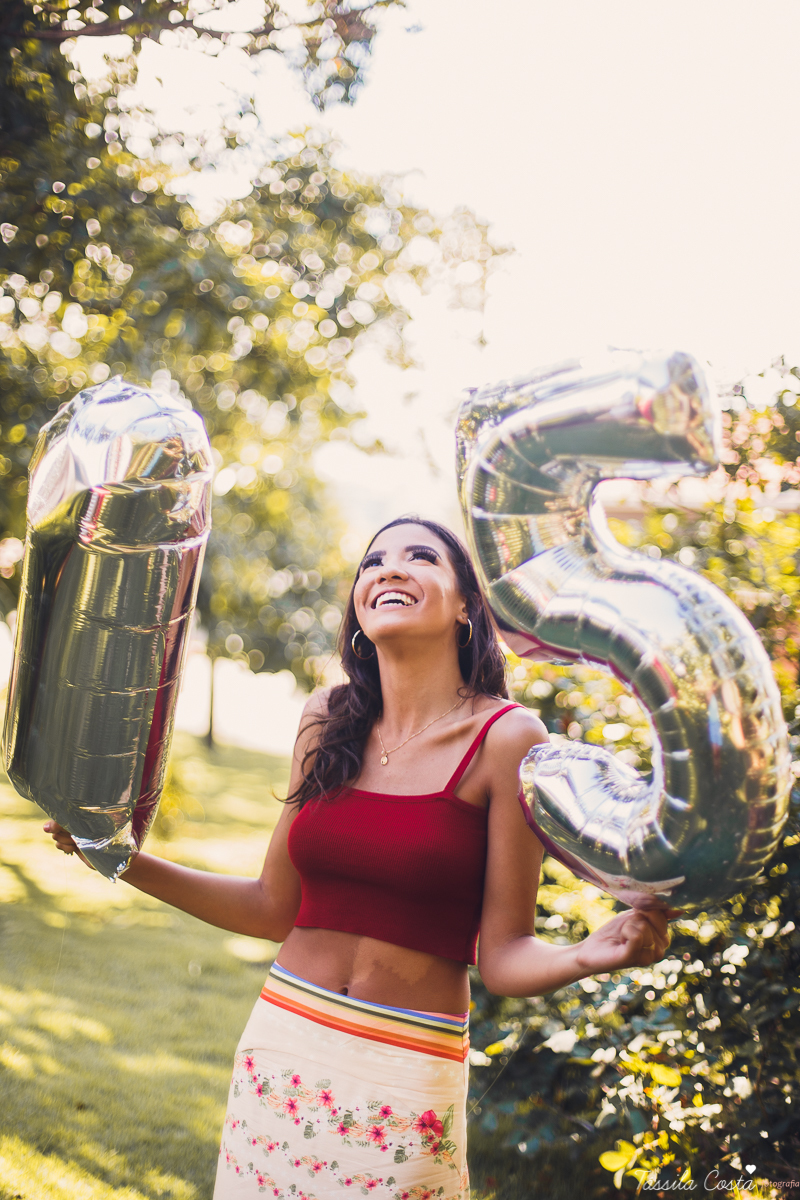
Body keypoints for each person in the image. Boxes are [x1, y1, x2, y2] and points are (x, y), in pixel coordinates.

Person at [45, 515, 670, 1200]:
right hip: (280, 1051)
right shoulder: (327, 719)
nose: (388, 570)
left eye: (421, 557)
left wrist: (589, 954)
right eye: (373, 562)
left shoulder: (507, 737)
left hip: (406, 1074)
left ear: (467, 606)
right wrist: (120, 858)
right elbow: (270, 908)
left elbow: (503, 956)